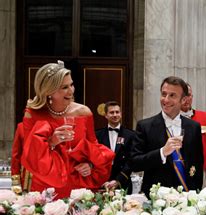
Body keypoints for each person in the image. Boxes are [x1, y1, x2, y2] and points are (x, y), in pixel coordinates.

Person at [21, 61, 115, 198]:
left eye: (71, 84)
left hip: (77, 185)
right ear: (48, 90)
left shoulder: (83, 112)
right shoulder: (32, 114)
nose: (71, 91)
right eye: (64, 87)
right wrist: (52, 141)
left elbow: (94, 148)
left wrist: (90, 164)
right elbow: (30, 155)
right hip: (46, 185)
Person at [131, 76, 203, 196]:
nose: (166, 100)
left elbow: (198, 164)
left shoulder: (194, 127)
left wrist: (195, 193)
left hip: (187, 196)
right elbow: (135, 163)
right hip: (156, 198)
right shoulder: (145, 126)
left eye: (172, 95)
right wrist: (162, 152)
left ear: (184, 99)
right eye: (164, 94)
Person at [181, 83, 206, 186]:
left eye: (188, 95)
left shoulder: (205, 117)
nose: (186, 99)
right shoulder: (171, 120)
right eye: (183, 95)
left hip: (201, 171)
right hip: (178, 170)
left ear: (192, 97)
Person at [95, 101, 136, 193]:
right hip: (102, 180)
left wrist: (118, 180)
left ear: (121, 114)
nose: (115, 115)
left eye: (117, 112)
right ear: (106, 115)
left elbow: (131, 160)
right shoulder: (97, 135)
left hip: (123, 180)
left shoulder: (130, 135)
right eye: (111, 112)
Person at [10, 122, 31, 193]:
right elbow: (16, 155)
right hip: (28, 180)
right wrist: (16, 182)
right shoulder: (21, 127)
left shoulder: (55, 124)